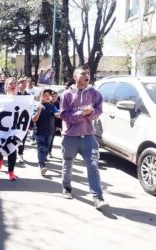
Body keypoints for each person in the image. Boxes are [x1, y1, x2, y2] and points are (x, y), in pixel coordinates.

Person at [59, 65, 108, 209]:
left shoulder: (94, 93)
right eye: (83, 73)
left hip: (88, 137)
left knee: (93, 166)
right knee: (67, 164)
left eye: (88, 73)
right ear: (75, 77)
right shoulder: (66, 95)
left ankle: (97, 197)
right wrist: (81, 114)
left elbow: (98, 111)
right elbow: (64, 115)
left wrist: (91, 113)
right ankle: (66, 187)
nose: (87, 75)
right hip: (70, 137)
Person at [0, 77, 20, 181]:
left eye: (15, 83)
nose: (13, 85)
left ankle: (11, 173)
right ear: (6, 87)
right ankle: (0, 158)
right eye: (10, 83)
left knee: (12, 150)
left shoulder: (23, 99)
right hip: (0, 129)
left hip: (14, 130)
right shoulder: (0, 98)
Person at [32, 89, 60, 176]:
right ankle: (42, 165)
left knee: (46, 149)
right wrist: (39, 111)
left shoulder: (52, 106)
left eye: (49, 95)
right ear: (41, 97)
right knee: (41, 148)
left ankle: (42, 160)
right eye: (45, 95)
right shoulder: (37, 106)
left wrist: (59, 114)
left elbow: (57, 114)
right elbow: (34, 119)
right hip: (39, 131)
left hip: (50, 131)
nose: (48, 97)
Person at [16, 78, 31, 163]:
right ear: (18, 84)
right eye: (22, 83)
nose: (24, 85)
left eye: (26, 83)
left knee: (23, 138)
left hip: (24, 120)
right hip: (14, 120)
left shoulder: (28, 96)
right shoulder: (15, 95)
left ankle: (20, 154)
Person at [48, 90, 62, 158]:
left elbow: (61, 116)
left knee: (51, 139)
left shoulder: (59, 104)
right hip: (47, 124)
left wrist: (58, 126)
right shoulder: (47, 103)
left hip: (54, 124)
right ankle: (44, 152)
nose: (54, 98)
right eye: (52, 96)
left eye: (55, 96)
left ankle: (49, 152)